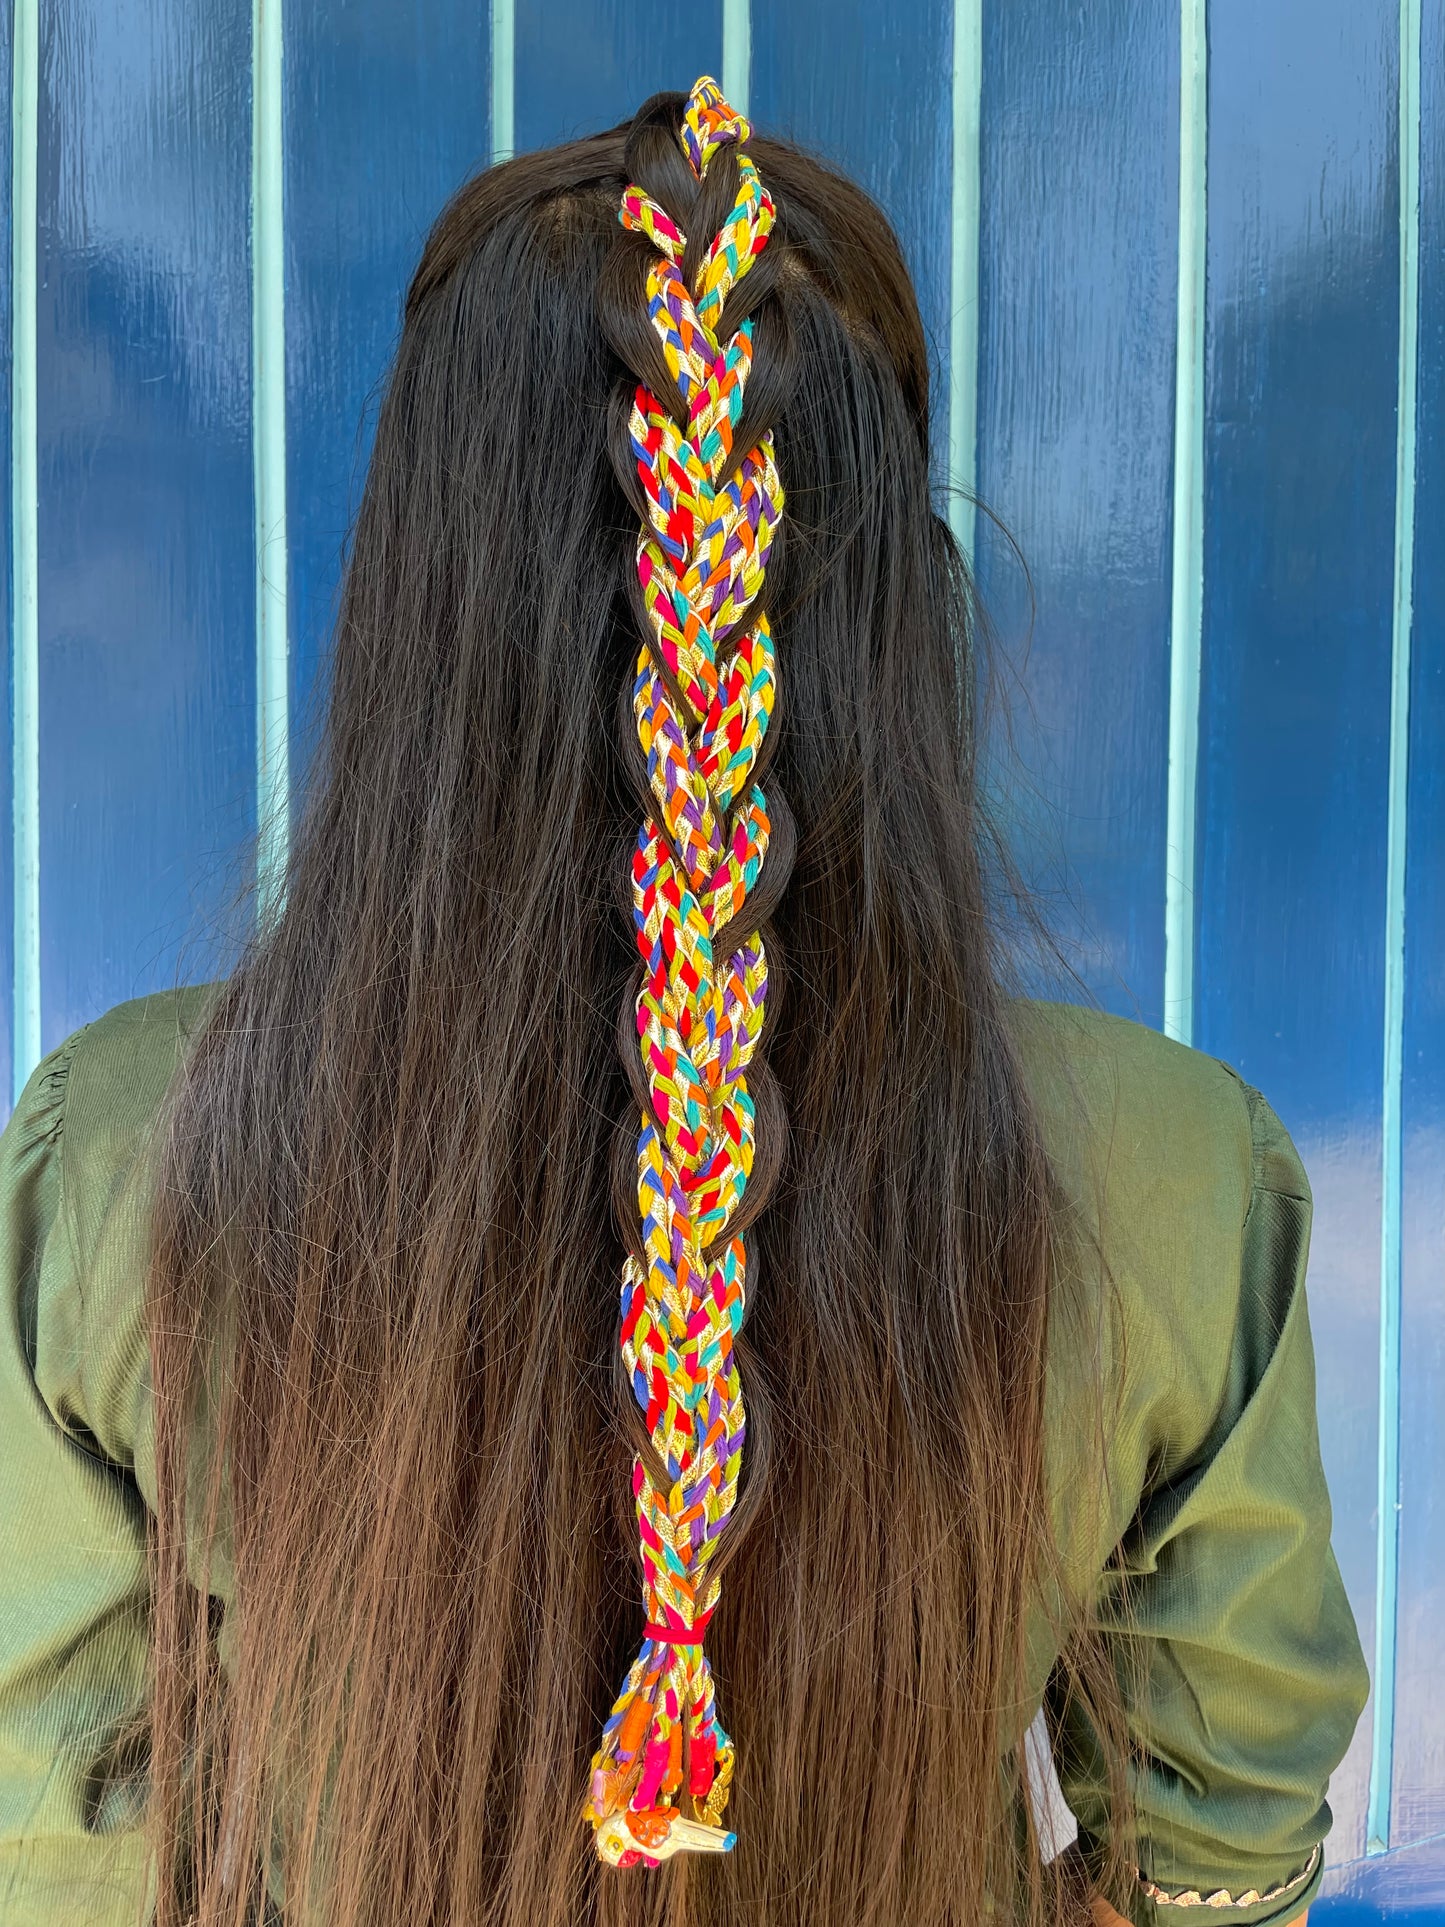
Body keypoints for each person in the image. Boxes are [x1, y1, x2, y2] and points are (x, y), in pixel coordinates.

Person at [0, 75, 1367, 1927]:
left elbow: (63, 1851)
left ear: (418, 591)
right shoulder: (1176, 1187)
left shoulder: (121, 1168)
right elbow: (1226, 1843)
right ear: (893, 596)